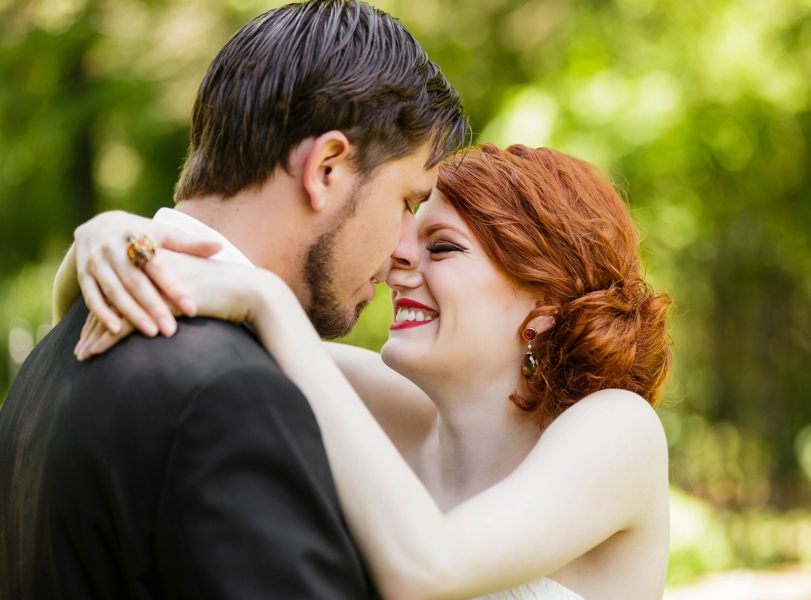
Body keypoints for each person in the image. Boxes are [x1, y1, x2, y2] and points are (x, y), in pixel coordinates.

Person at [63, 143, 674, 600]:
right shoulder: (394, 409)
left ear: (543, 308)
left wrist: (271, 302)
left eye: (442, 246)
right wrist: (107, 238)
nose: (399, 255)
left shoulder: (619, 430)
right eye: (410, 227)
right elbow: (165, 316)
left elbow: (427, 567)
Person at [0, 1, 468, 598]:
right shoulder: (229, 392)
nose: (406, 248)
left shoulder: (51, 356)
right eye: (407, 201)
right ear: (326, 168)